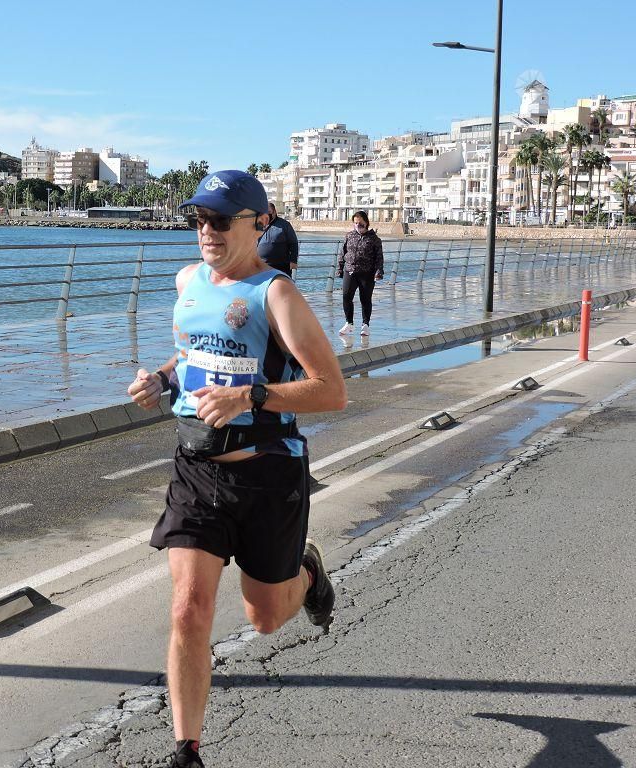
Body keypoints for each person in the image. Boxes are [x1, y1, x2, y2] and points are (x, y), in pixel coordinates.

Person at [127, 170, 347, 768]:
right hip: (197, 470)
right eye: (199, 219)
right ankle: (187, 748)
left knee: (266, 618)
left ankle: (306, 575)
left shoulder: (277, 295)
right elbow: (194, 351)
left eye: (220, 220)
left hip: (267, 475)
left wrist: (251, 397)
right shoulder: (187, 281)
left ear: (259, 222)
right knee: (187, 609)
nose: (207, 231)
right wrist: (163, 379)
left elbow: (330, 391)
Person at [336, 210, 383, 337]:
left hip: (367, 273)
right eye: (355, 223)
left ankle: (365, 325)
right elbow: (342, 253)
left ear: (366, 223)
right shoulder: (349, 236)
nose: (358, 225)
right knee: (346, 296)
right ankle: (349, 323)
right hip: (350, 270)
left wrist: (379, 272)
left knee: (365, 299)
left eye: (360, 223)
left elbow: (379, 258)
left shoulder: (374, 239)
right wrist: (340, 268)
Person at [256, 201, 299, 277]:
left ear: (275, 212)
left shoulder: (285, 225)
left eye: (269, 212)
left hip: (281, 266)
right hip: (261, 266)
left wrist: (293, 261)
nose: (267, 215)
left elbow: (293, 243)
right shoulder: (259, 225)